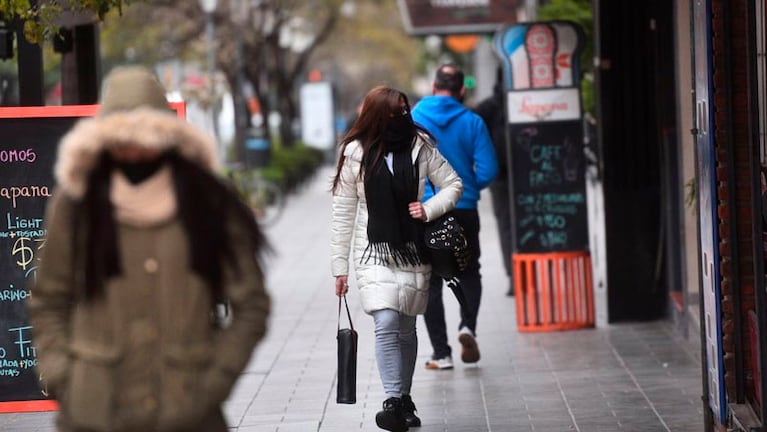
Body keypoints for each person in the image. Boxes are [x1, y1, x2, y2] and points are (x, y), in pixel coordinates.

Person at [28, 65, 271, 432]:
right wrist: (65, 377)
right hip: (95, 413)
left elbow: (251, 304)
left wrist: (214, 381)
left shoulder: (207, 202)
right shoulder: (78, 203)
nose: (135, 151)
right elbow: (48, 300)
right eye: (123, 140)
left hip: (189, 412)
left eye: (147, 138)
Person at [331, 86, 462, 431]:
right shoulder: (355, 152)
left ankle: (403, 398)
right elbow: (343, 212)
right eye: (393, 112)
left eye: (404, 110)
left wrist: (429, 207)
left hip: (414, 248)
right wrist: (339, 268)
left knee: (406, 327)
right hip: (373, 250)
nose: (401, 117)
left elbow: (452, 184)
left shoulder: (420, 145)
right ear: (375, 114)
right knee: (387, 321)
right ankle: (391, 398)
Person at [412, 63, 499, 370]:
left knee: (431, 281)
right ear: (462, 90)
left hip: (425, 212)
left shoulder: (414, 119)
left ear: (434, 87)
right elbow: (489, 169)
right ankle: (468, 327)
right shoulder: (473, 121)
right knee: (469, 271)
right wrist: (470, 187)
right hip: (463, 209)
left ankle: (441, 353)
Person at [475, 66, 514, 296]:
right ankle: (515, 275)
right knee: (509, 225)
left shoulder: (487, 107)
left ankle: (515, 276)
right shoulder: (488, 109)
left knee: (507, 226)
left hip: (500, 176)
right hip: (505, 176)